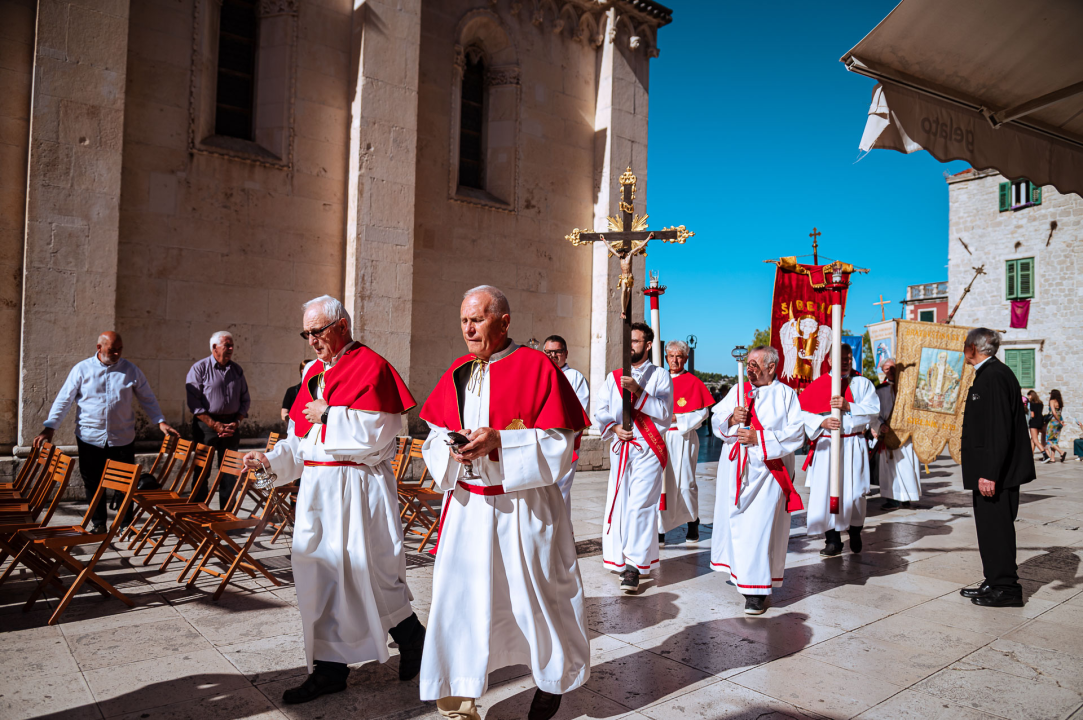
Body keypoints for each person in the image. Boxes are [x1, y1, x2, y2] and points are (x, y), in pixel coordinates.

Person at [418, 286, 590, 720]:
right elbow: (432, 438)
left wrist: (501, 442)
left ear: (504, 321)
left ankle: (551, 680)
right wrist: (452, 449)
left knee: (537, 598)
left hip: (523, 508)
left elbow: (560, 443)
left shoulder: (537, 367)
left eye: (477, 319)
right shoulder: (457, 371)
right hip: (468, 507)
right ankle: (458, 695)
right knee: (460, 601)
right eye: (463, 320)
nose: (468, 329)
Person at [242, 295, 425, 704]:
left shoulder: (371, 366)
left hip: (357, 489)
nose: (311, 340)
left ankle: (412, 637)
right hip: (318, 490)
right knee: (319, 575)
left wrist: (329, 414)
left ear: (341, 326)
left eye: (317, 331)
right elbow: (300, 442)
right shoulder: (312, 374)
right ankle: (330, 669)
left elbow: (378, 434)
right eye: (305, 333)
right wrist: (269, 461)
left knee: (370, 575)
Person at [34, 332, 178, 533]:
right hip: (89, 438)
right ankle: (99, 524)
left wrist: (160, 422)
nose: (117, 353)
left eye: (120, 349)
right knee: (93, 482)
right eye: (112, 350)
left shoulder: (131, 370)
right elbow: (64, 399)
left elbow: (147, 397)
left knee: (125, 482)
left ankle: (125, 525)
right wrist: (50, 427)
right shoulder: (82, 369)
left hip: (122, 437)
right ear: (99, 348)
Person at [710, 345, 805, 615]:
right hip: (736, 471)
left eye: (755, 364)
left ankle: (756, 591)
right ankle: (741, 573)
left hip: (768, 473)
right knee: (737, 524)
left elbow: (797, 433)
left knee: (759, 528)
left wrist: (758, 438)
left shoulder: (786, 395)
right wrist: (731, 419)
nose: (749, 369)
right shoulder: (738, 390)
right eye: (748, 364)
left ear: (771, 367)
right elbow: (716, 420)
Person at [595, 322, 673, 592]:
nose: (630, 346)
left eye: (636, 341)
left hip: (648, 448)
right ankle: (619, 557)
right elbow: (601, 409)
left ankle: (633, 567)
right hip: (621, 446)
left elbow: (664, 412)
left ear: (648, 345)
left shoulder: (660, 375)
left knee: (641, 505)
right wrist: (614, 427)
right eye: (627, 341)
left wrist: (638, 391)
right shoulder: (613, 376)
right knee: (620, 503)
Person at [960, 328, 1034, 607]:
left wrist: (990, 472)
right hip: (989, 471)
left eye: (965, 345)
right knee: (988, 529)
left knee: (997, 529)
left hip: (995, 474)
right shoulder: (989, 374)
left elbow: (998, 428)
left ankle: (1006, 588)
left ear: (973, 348)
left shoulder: (994, 376)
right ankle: (993, 579)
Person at [800, 343, 879, 556]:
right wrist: (821, 422)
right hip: (826, 445)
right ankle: (832, 540)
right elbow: (799, 413)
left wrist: (849, 406)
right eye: (840, 358)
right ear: (829, 360)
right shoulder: (818, 385)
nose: (845, 362)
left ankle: (855, 530)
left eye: (848, 358)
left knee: (855, 493)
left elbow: (874, 410)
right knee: (827, 492)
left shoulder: (862, 383)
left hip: (853, 444)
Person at [186, 331, 250, 508]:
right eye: (227, 345)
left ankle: (227, 513)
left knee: (230, 472)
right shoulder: (199, 368)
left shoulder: (237, 370)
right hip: (206, 426)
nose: (231, 349)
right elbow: (194, 403)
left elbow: (245, 399)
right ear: (214, 347)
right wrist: (214, 425)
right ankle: (198, 513)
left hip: (231, 426)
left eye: (232, 345)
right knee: (202, 471)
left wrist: (236, 422)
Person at [658, 340, 713, 544]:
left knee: (685, 482)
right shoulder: (658, 379)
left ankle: (692, 522)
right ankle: (660, 527)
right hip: (660, 437)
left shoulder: (693, 382)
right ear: (666, 358)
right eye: (671, 356)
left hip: (683, 437)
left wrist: (678, 418)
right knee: (660, 482)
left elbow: (703, 412)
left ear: (686, 358)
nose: (675, 360)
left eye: (679, 356)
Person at [542, 334, 590, 513]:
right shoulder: (540, 374)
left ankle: (555, 529)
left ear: (566, 353)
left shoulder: (575, 378)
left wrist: (556, 438)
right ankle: (564, 529)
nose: (553, 356)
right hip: (539, 443)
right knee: (544, 494)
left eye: (557, 352)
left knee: (559, 492)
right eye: (548, 352)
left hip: (564, 445)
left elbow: (579, 414)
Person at [874, 358, 921, 510]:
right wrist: (880, 425)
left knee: (907, 466)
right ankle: (893, 499)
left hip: (906, 436)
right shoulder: (879, 390)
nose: (890, 371)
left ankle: (907, 498)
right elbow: (874, 413)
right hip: (888, 435)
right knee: (890, 470)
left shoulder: (908, 388)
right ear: (883, 371)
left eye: (893, 367)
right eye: (887, 368)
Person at [1042, 389, 1066, 463]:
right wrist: (1060, 421)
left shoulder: (1052, 401)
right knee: (1054, 440)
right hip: (1060, 420)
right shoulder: (1060, 402)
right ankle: (1052, 458)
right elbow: (1059, 413)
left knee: (1049, 440)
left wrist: (1058, 420)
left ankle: (1061, 452)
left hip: (1053, 422)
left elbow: (1054, 413)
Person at [1027, 390, 1046, 460]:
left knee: (1035, 440)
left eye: (1029, 396)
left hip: (1034, 422)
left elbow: (1032, 415)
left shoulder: (1031, 404)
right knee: (1032, 439)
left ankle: (1045, 454)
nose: (1028, 397)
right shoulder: (1041, 403)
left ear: (1031, 395)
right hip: (1040, 421)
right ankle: (1030, 456)